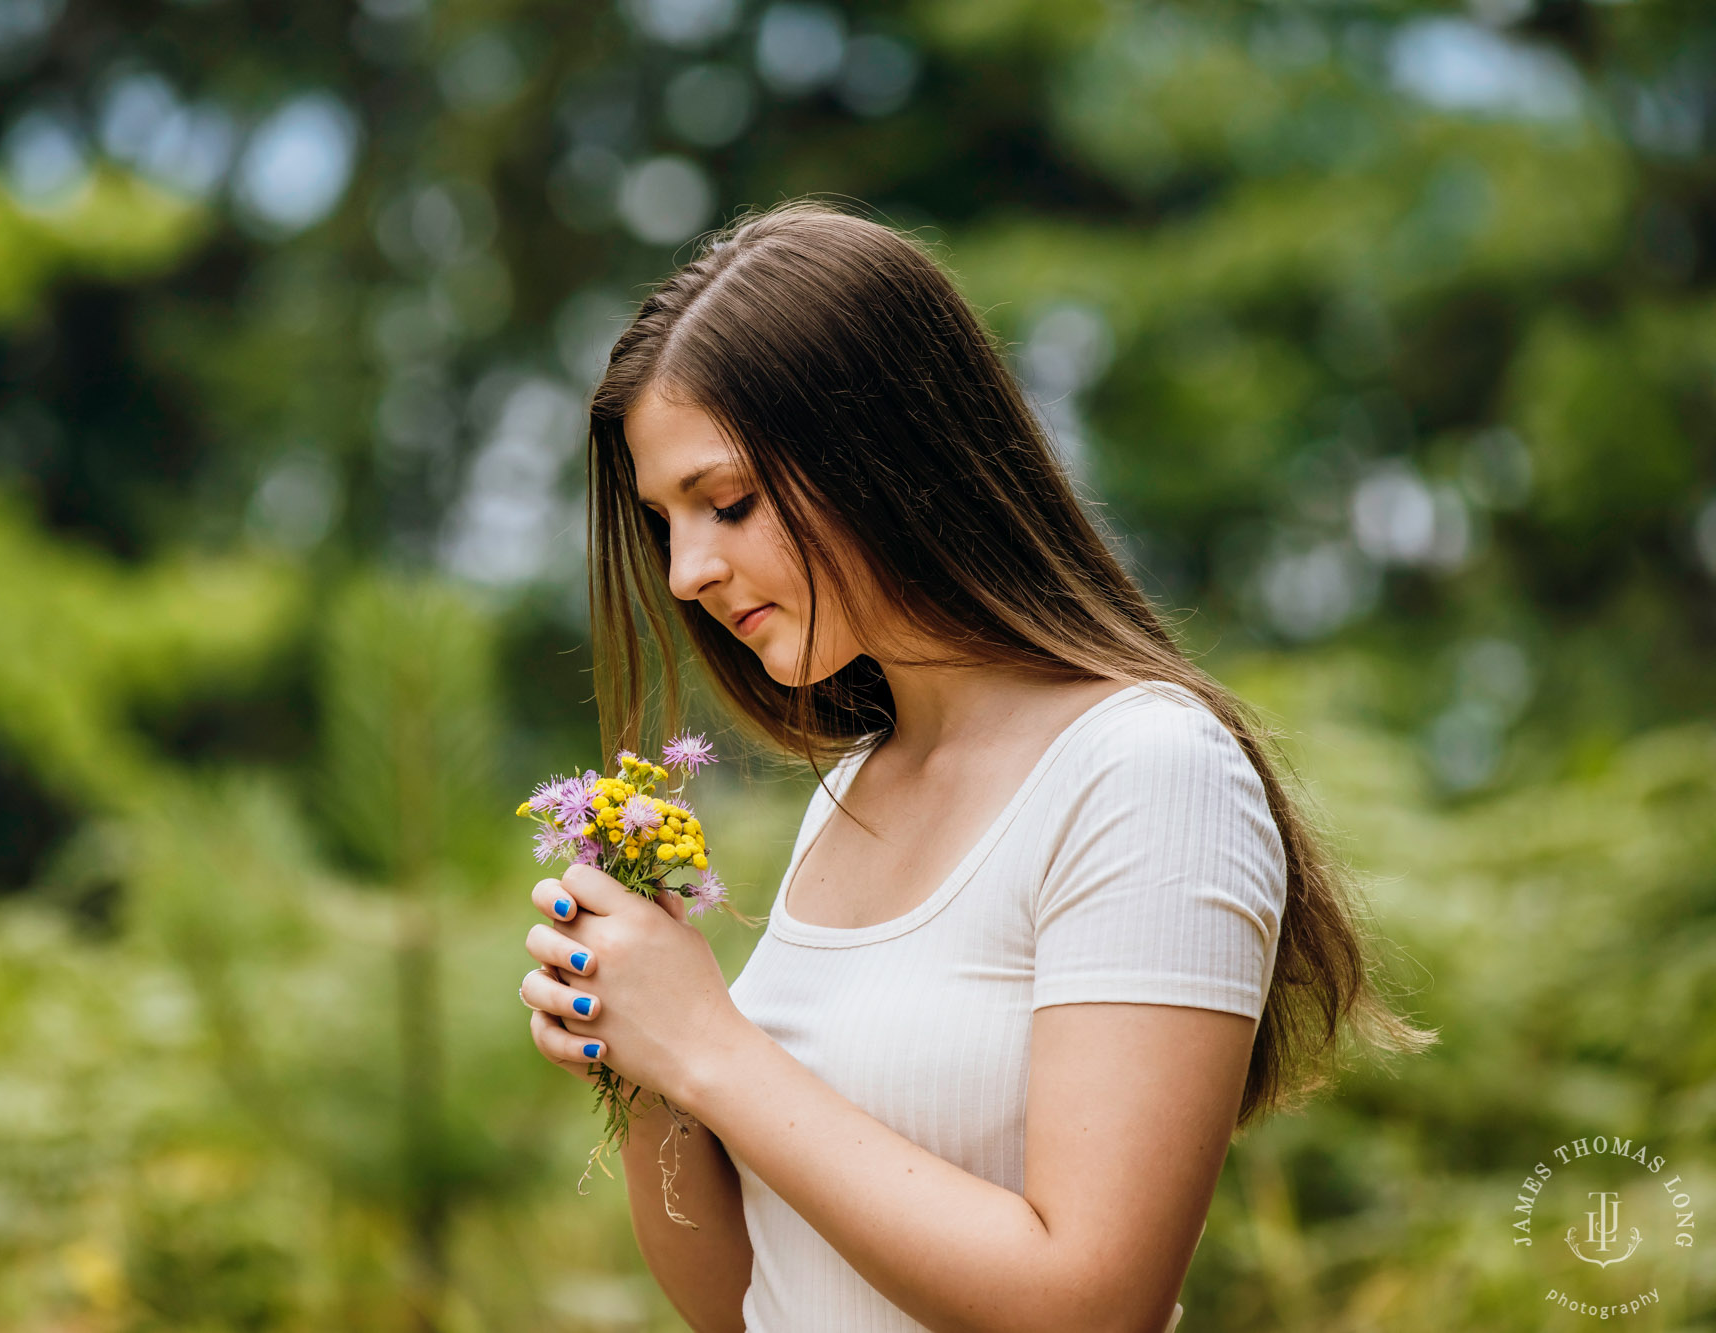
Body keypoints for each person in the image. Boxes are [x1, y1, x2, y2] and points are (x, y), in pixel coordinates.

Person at [517, 201, 1435, 1332]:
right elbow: (743, 1303)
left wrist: (712, 1049)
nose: (686, 573)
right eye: (666, 521)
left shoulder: (1143, 772)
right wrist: (652, 1071)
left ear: (888, 457)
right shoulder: (850, 795)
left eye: (729, 502)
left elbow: (1091, 1303)